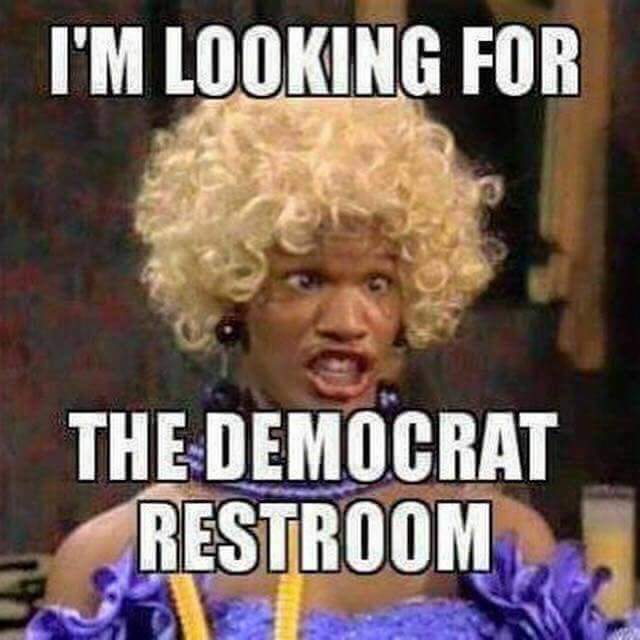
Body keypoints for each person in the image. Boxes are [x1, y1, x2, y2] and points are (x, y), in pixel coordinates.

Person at [26, 95, 616, 639]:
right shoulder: (118, 565)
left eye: (377, 283)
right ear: (233, 295)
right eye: (307, 280)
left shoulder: (504, 553)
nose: (347, 321)